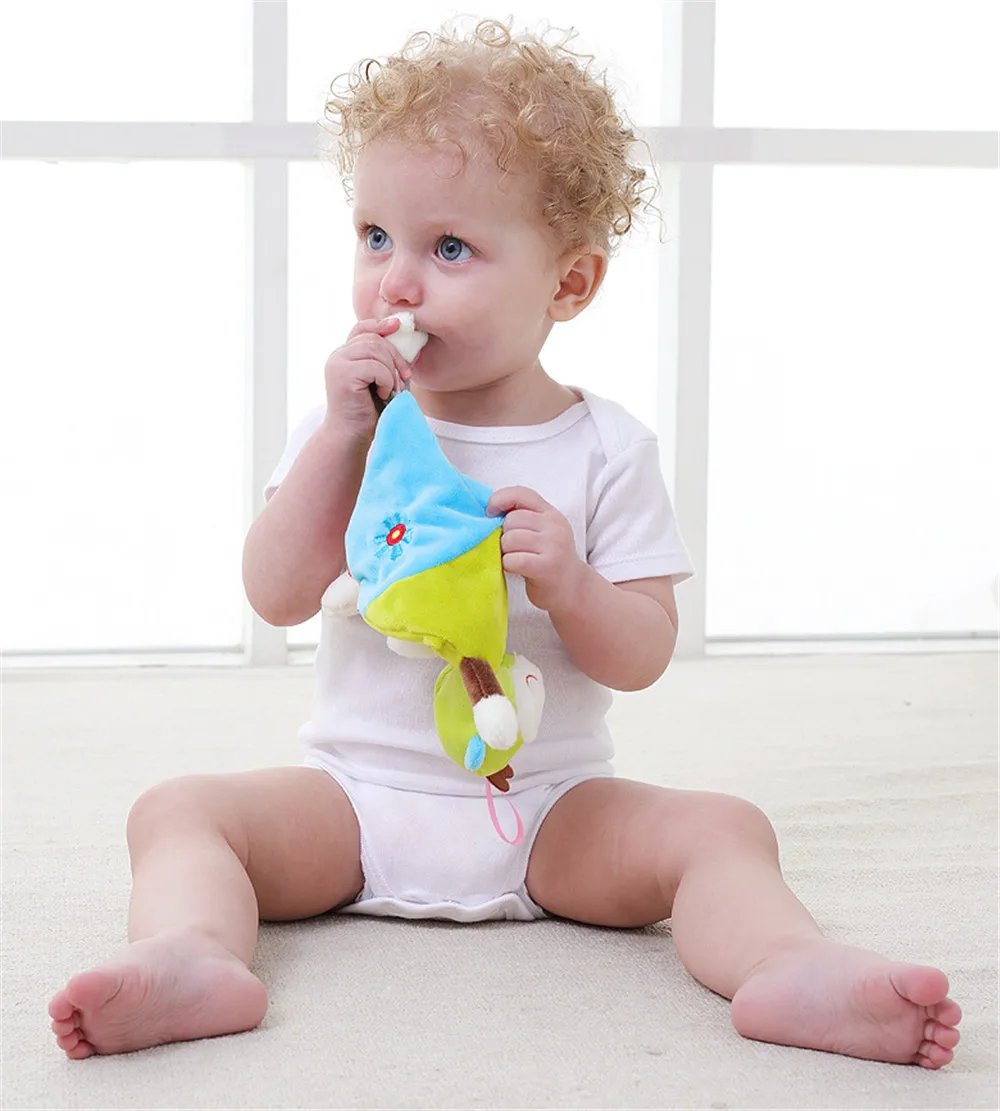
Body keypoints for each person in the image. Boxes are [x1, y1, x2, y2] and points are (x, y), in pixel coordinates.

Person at [49, 18, 960, 1067]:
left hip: (547, 812)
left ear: (568, 284)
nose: (395, 282)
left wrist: (572, 583)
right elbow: (277, 591)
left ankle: (787, 964)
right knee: (177, 809)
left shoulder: (604, 445)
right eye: (375, 236)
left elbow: (643, 651)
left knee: (724, 827)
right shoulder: (351, 427)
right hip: (352, 803)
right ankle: (192, 952)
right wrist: (340, 439)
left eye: (449, 248)